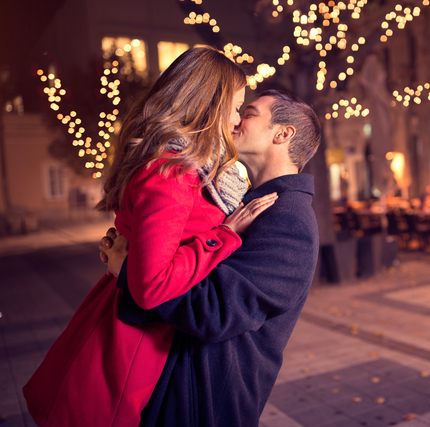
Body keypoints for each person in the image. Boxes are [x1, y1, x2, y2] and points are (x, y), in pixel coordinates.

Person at [23, 47, 277, 427]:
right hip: (133, 342)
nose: (238, 119)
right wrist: (224, 235)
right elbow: (151, 285)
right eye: (236, 106)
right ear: (210, 103)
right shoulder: (171, 172)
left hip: (146, 332)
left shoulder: (188, 165)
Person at [101, 89, 322, 426]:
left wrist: (131, 273)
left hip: (208, 399)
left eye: (248, 113)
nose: (234, 120)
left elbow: (215, 311)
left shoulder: (289, 218)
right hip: (189, 382)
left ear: (283, 134)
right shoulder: (253, 203)